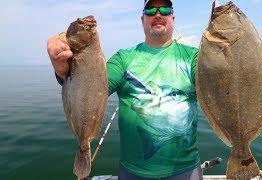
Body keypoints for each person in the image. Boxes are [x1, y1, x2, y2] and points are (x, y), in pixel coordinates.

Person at [47, 0, 203, 179]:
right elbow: (95, 86)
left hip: (186, 169)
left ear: (172, 17)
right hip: (133, 172)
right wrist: (63, 71)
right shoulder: (123, 59)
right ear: (142, 19)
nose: (158, 14)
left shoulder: (193, 58)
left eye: (165, 9)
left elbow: (214, 85)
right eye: (151, 9)